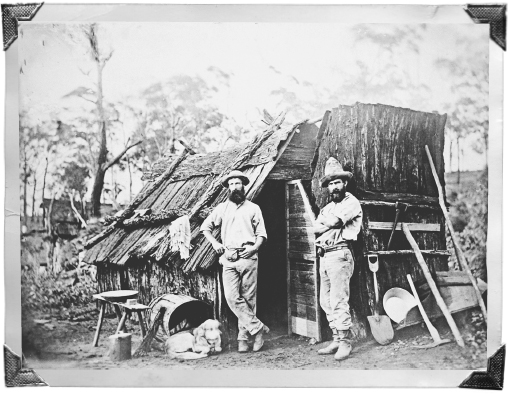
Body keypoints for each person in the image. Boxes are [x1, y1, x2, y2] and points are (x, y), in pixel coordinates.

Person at [201, 170, 269, 353]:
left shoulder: (254, 208)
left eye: (237, 183)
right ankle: (258, 328)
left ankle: (243, 339)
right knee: (232, 297)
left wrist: (254, 248)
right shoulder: (222, 208)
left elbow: (261, 234)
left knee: (248, 299)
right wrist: (216, 244)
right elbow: (205, 228)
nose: (234, 187)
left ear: (243, 185)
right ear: (227, 188)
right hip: (229, 258)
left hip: (248, 256)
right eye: (231, 184)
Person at [313, 157, 363, 361]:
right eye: (331, 184)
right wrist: (327, 223)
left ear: (345, 183)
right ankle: (335, 337)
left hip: (340, 253)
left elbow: (335, 223)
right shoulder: (326, 208)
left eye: (337, 182)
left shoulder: (351, 202)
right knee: (324, 300)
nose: (334, 187)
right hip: (324, 255)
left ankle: (345, 341)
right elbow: (316, 228)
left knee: (338, 299)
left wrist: (328, 224)